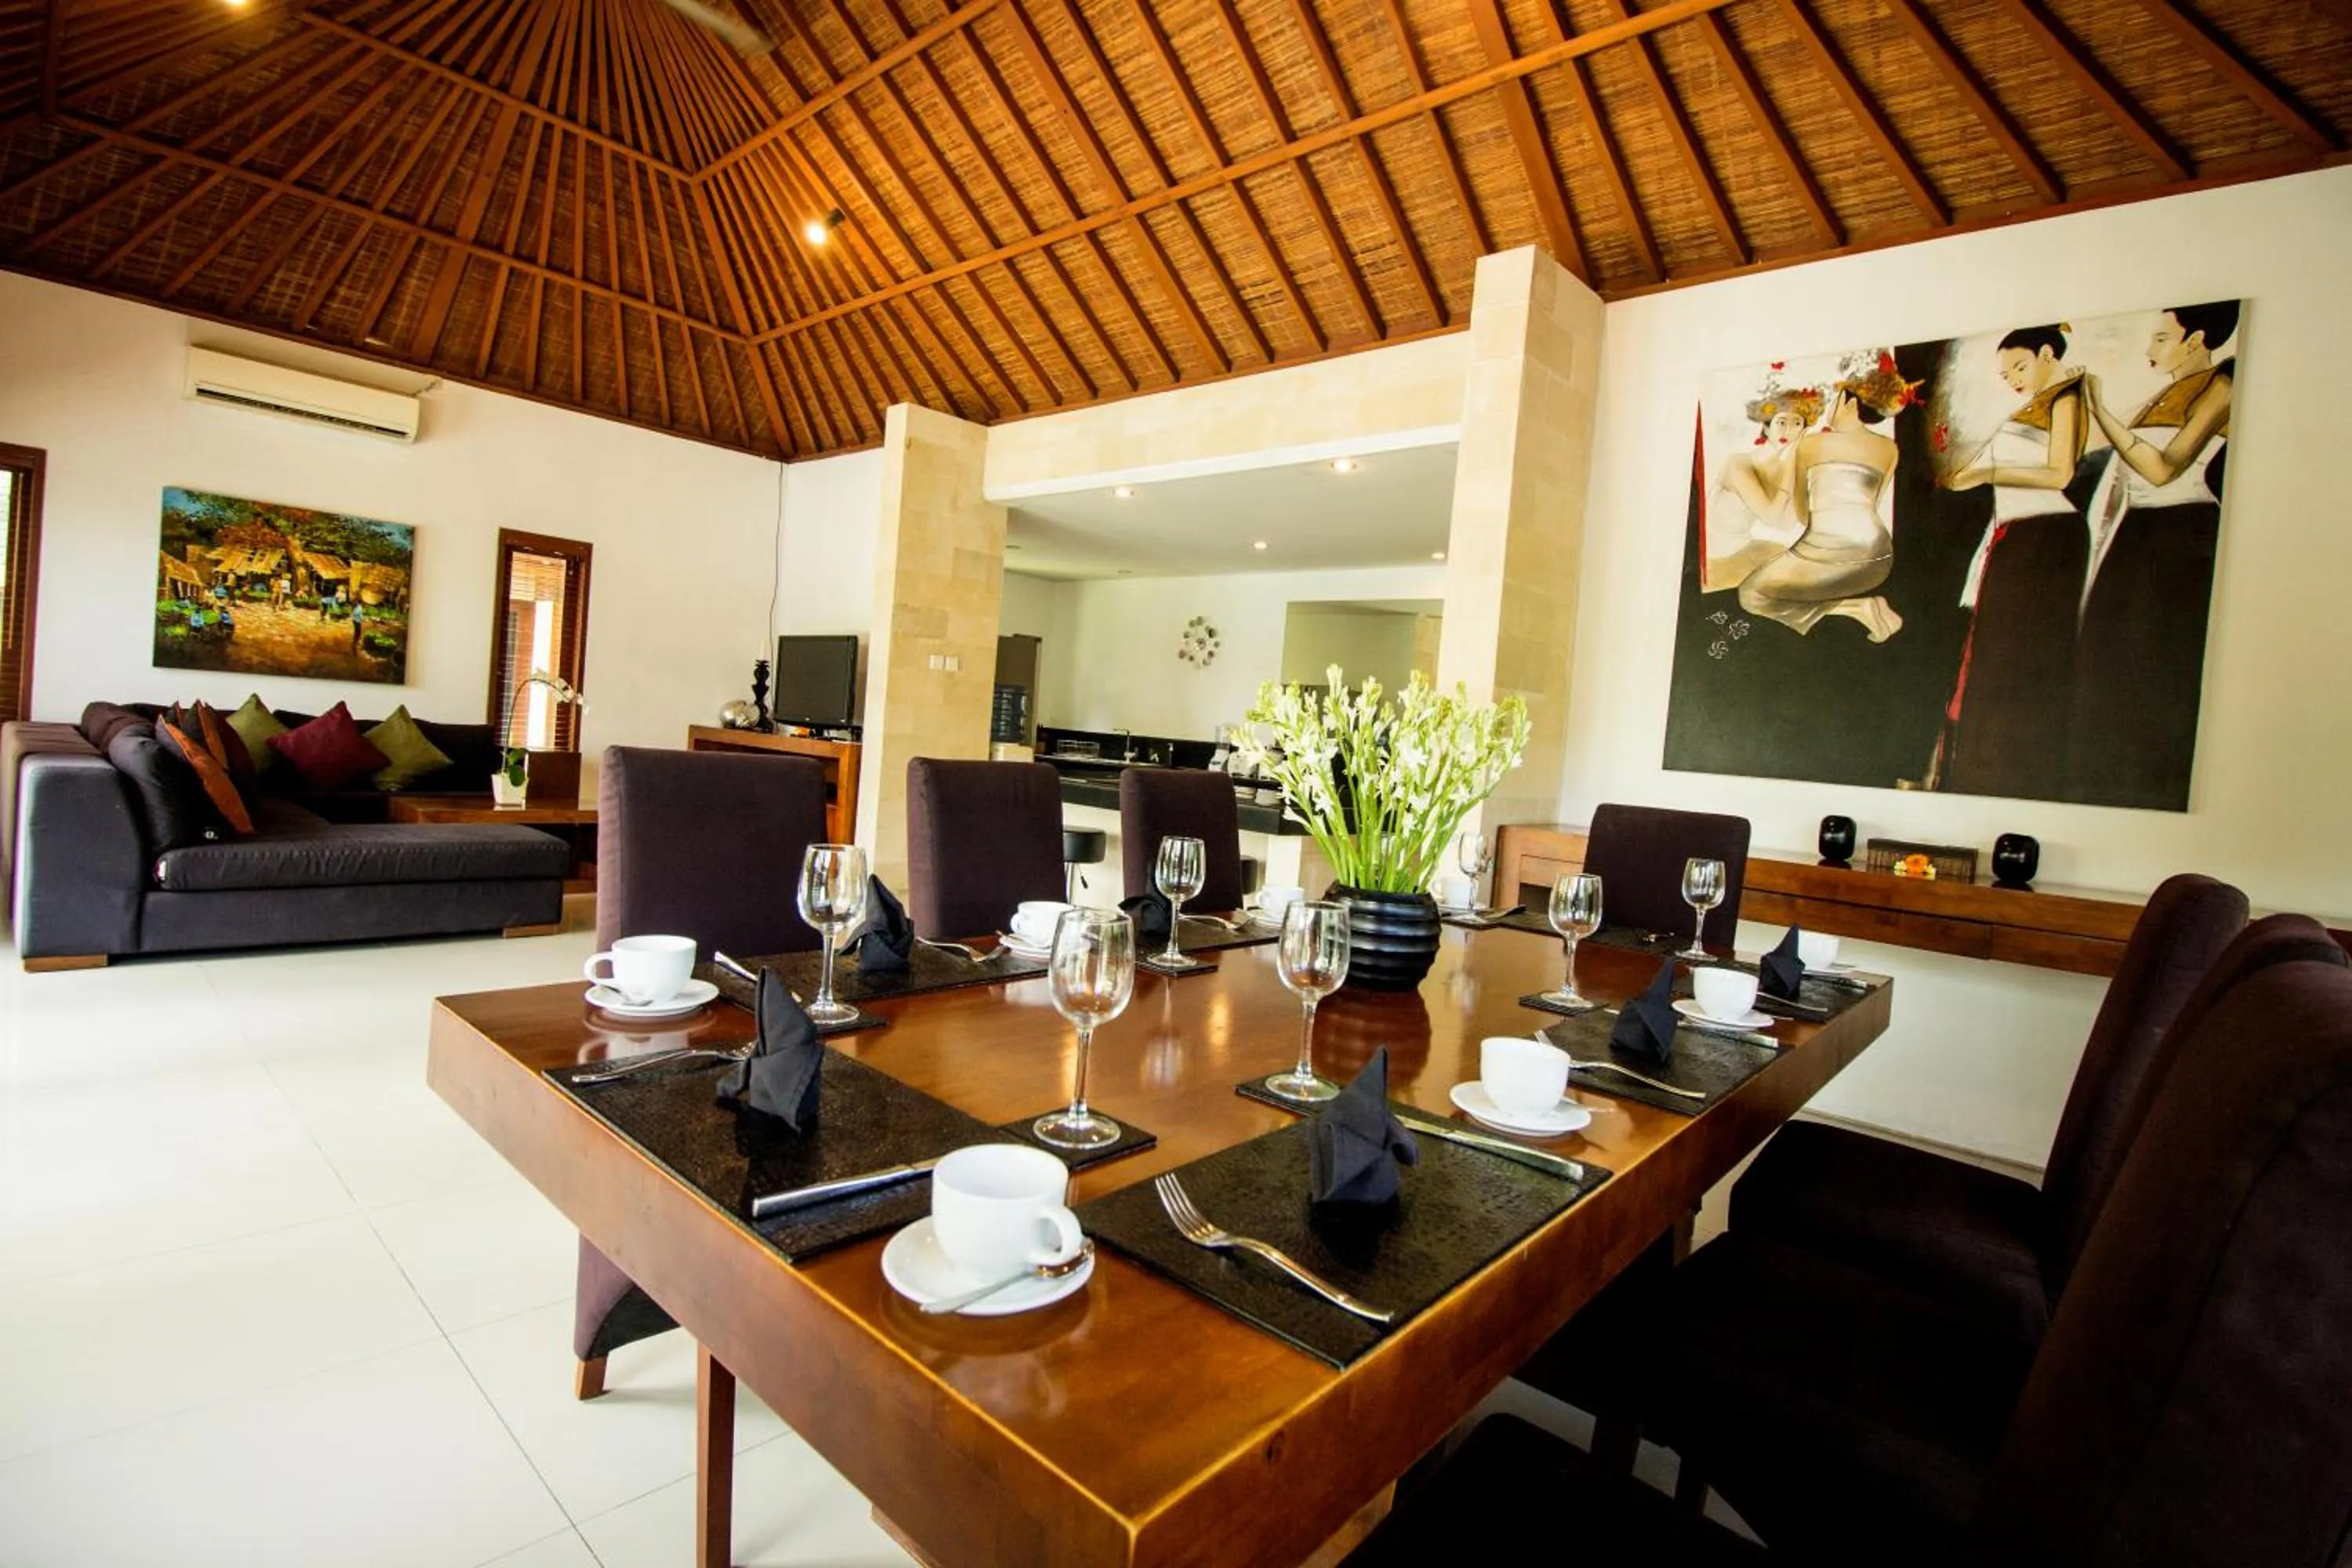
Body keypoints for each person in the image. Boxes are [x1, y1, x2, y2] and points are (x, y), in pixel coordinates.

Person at [2070, 301, 2237, 808]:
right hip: (2135, 532)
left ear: (2197, 339)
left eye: (2162, 339)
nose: (2150, 350)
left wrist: (2100, 410)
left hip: (2181, 537)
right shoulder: (2158, 394)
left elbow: (2162, 468)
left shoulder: (2222, 385)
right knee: (2103, 662)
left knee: (2151, 667)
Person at [1935, 324, 2088, 797]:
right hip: (2015, 537)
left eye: (2020, 366)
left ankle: (2014, 772)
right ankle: (1979, 772)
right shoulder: (2024, 410)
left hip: (2046, 538)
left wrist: (1989, 470)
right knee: (1991, 660)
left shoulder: (2068, 397)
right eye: (2006, 372)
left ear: (2047, 354)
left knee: (2021, 663)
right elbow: (1966, 475)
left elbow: (2060, 472)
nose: (2014, 378)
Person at [1737, 352, 1918, 641]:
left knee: (1751, 595)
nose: (1829, 408)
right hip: (1879, 558)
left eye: (1835, 399)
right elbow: (1873, 503)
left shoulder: (1811, 444)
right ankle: (1861, 606)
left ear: (1849, 402)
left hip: (1832, 553)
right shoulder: (1889, 449)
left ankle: (1858, 608)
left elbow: (1801, 512)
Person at [1705, 383, 1820, 589]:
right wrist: (1792, 464)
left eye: (1797, 424)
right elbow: (1772, 517)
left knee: (1804, 570)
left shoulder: (1779, 469)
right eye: (1781, 422)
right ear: (1767, 427)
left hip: (1741, 549)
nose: (1788, 430)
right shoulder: (1739, 464)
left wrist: (1802, 471)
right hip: (1715, 558)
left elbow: (1787, 524)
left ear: (1804, 430)